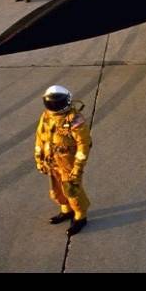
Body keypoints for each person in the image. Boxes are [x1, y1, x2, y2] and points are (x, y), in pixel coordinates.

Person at [34, 85, 92, 236]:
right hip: (52, 163)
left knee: (73, 192)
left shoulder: (75, 120)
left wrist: (78, 167)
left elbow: (84, 144)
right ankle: (65, 210)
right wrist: (39, 159)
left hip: (68, 165)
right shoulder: (46, 116)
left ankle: (80, 217)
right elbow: (40, 138)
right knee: (56, 191)